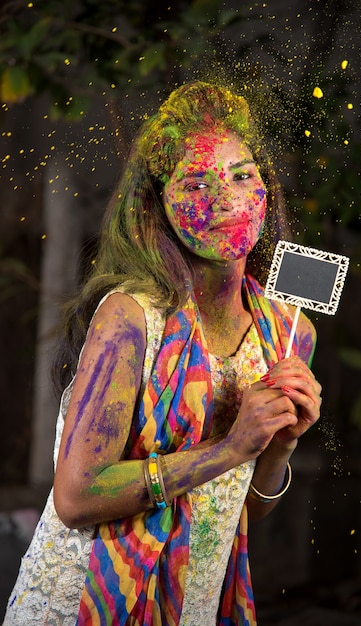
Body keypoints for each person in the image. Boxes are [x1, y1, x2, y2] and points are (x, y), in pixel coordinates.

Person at [4, 81, 322, 625]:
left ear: (266, 191)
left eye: (242, 175)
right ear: (160, 204)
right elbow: (76, 498)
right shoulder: (130, 317)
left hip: (192, 608)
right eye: (196, 182)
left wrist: (280, 447)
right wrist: (231, 445)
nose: (225, 199)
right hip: (81, 606)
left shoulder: (289, 335)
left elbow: (236, 511)